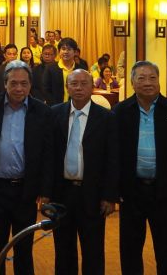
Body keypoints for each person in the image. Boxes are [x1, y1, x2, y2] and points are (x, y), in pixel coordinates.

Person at [114, 61, 167, 275]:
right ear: (132, 83)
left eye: (152, 78)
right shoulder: (120, 112)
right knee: (130, 250)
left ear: (159, 81)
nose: (147, 83)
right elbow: (113, 155)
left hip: (165, 193)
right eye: (141, 78)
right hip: (132, 192)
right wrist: (115, 189)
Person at [0, 59, 52, 275]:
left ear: (30, 85)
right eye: (13, 83)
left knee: (24, 249)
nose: (19, 88)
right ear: (5, 84)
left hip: (25, 191)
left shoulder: (42, 111)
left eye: (24, 83)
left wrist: (45, 191)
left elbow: (47, 154)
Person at [50, 69, 118, 275]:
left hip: (92, 194)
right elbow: (48, 156)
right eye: (74, 84)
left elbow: (112, 160)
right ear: (67, 87)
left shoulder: (106, 118)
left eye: (84, 83)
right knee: (63, 250)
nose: (78, 88)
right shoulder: (54, 114)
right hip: (62, 193)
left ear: (92, 88)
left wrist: (109, 196)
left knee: (93, 250)